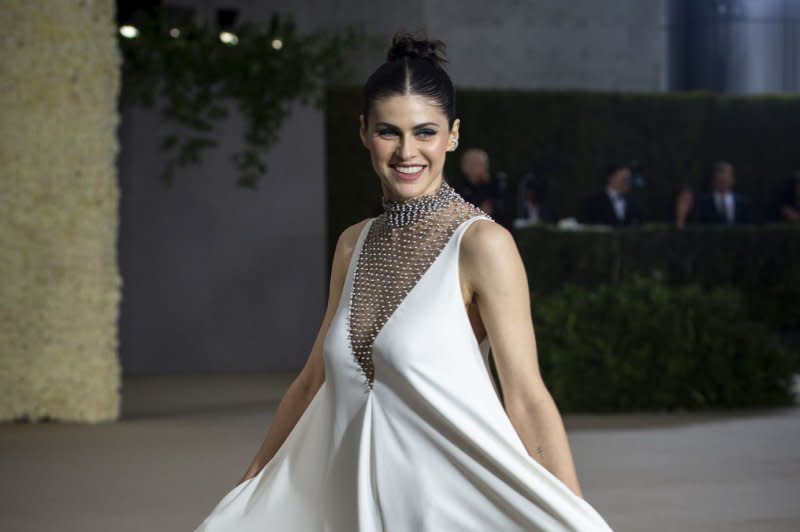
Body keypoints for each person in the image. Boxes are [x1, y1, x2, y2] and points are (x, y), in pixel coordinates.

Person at [194, 33, 614, 532]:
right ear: (364, 132)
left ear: (453, 135)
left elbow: (526, 396)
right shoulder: (353, 243)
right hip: (346, 507)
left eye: (425, 132)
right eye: (389, 132)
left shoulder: (482, 245)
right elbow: (312, 382)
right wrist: (251, 483)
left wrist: (572, 514)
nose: (406, 151)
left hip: (444, 514)